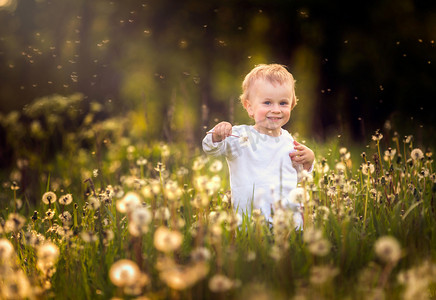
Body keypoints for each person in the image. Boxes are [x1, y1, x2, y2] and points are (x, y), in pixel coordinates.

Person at [202, 64, 314, 229]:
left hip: (287, 222)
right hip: (249, 222)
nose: (276, 109)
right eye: (267, 103)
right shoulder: (239, 136)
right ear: (249, 107)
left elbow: (298, 177)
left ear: (291, 105)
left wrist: (309, 161)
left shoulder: (290, 142)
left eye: (283, 103)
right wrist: (217, 134)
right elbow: (210, 148)